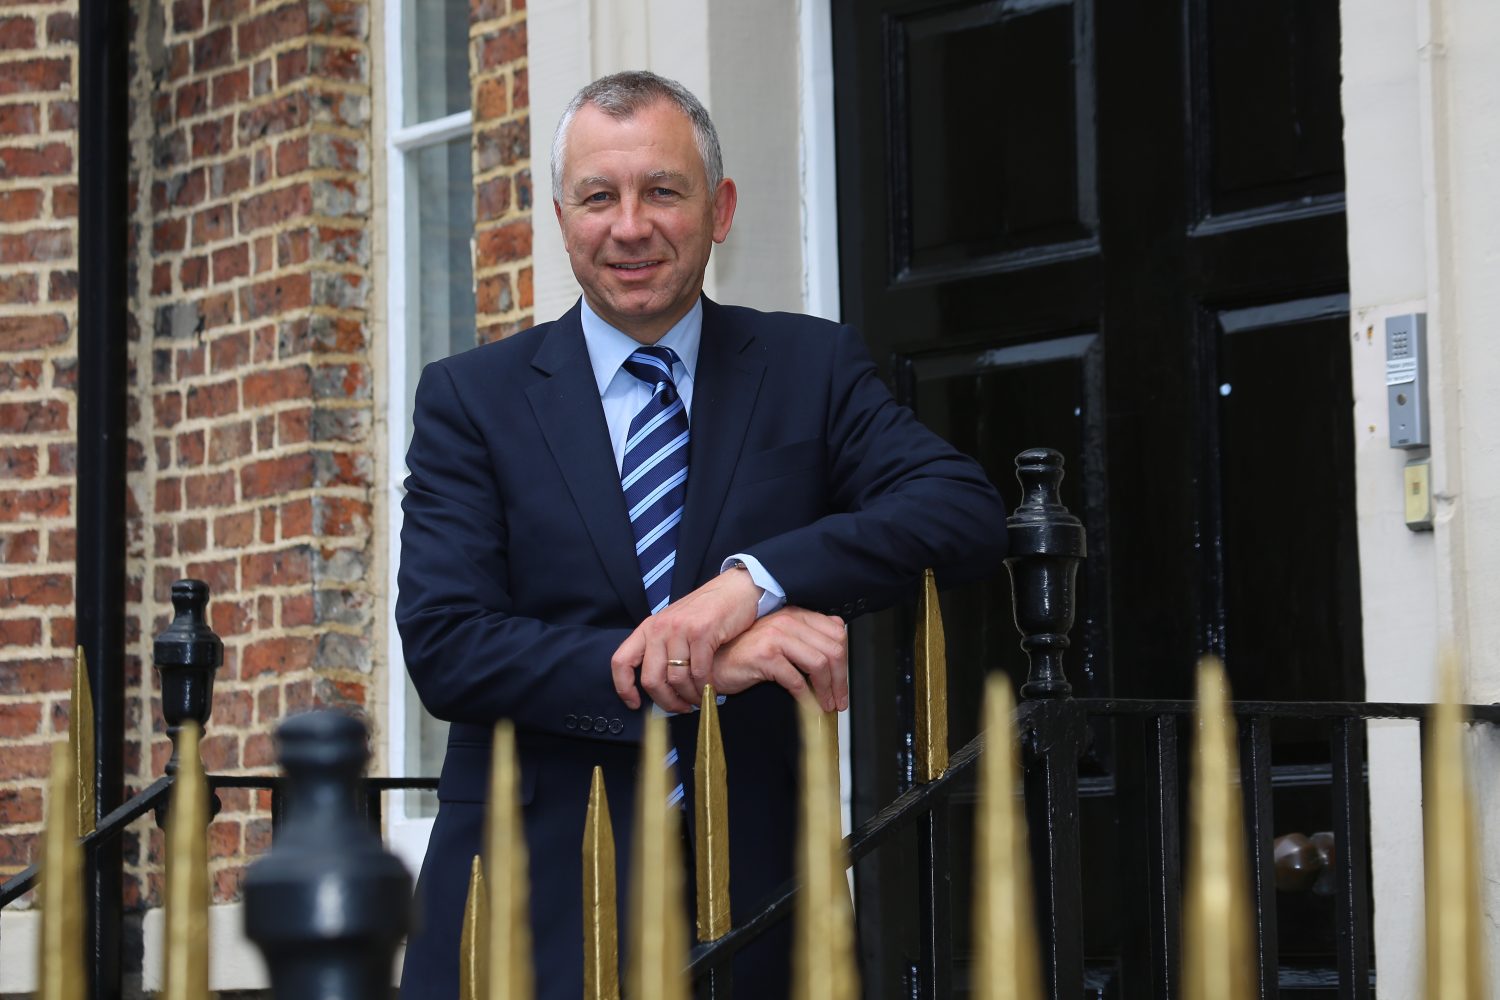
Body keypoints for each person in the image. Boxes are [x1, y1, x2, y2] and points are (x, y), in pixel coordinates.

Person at [396, 70, 1007, 999]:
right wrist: (689, 664)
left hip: (759, 897)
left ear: (719, 209)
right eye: (599, 196)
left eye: (663, 191)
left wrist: (750, 585)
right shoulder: (472, 399)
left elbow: (961, 509)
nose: (630, 225)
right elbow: (448, 645)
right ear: (562, 218)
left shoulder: (810, 367)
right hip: (526, 901)